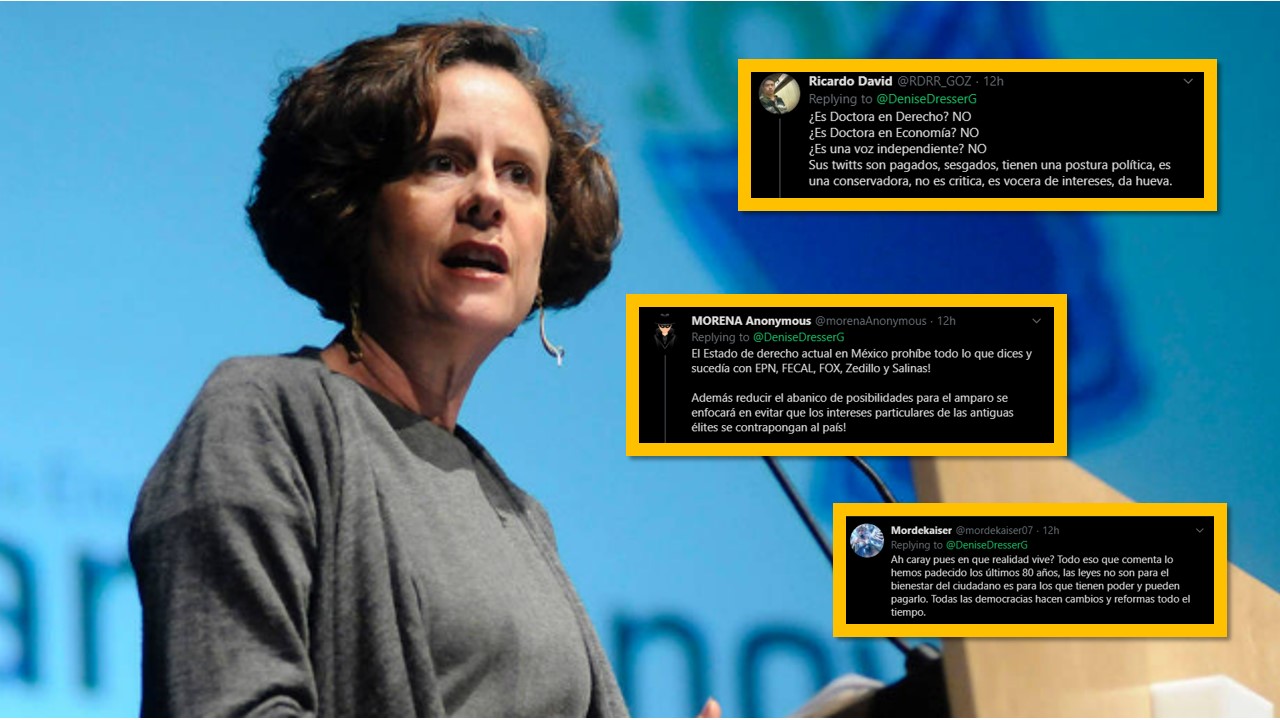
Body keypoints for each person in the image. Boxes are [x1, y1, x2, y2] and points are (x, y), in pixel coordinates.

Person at [129, 21, 721, 718]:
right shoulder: (264, 416)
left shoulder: (519, 514)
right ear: (354, 209)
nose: (487, 198)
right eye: (444, 162)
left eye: (519, 175)